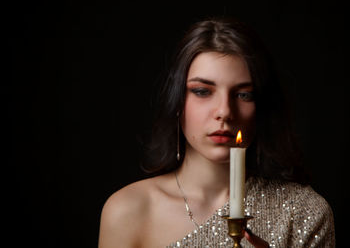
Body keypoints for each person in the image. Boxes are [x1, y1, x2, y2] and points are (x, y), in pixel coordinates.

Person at [98, 16, 335, 248]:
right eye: (202, 91)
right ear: (178, 101)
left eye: (243, 94)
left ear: (262, 107)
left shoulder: (303, 212)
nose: (224, 111)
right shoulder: (128, 211)